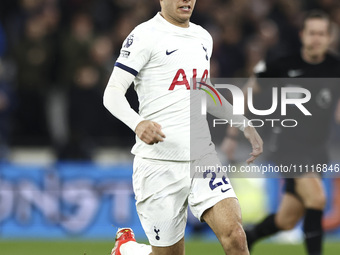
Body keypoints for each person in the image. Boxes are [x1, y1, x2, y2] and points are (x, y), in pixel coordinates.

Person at [103, 1, 263, 255]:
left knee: (235, 236)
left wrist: (241, 122)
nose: (185, 0)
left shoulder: (203, 37)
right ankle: (128, 250)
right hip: (158, 165)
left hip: (202, 158)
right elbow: (111, 94)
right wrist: (138, 123)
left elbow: (204, 91)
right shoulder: (144, 35)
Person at [224, 10, 340, 255]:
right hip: (288, 147)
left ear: (329, 37)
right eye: (312, 33)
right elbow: (247, 92)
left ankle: (250, 236)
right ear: (302, 35)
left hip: (317, 152)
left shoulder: (335, 68)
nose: (316, 38)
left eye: (322, 34)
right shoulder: (282, 64)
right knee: (318, 199)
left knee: (287, 219)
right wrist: (232, 134)